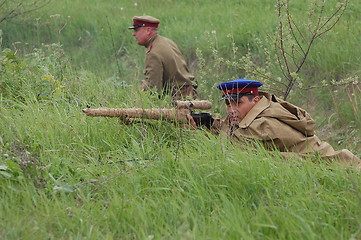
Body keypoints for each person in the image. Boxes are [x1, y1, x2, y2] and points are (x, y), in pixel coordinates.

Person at [191, 79, 360, 167]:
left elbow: (229, 154)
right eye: (228, 104)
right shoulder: (267, 107)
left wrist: (201, 135)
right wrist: (214, 126)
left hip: (331, 165)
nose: (231, 110)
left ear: (255, 100)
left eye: (237, 103)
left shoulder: (260, 124)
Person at [128, 15, 198, 100]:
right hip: (191, 96)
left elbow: (153, 90)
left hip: (180, 103)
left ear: (148, 30)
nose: (133, 34)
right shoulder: (167, 42)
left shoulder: (154, 53)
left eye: (136, 30)